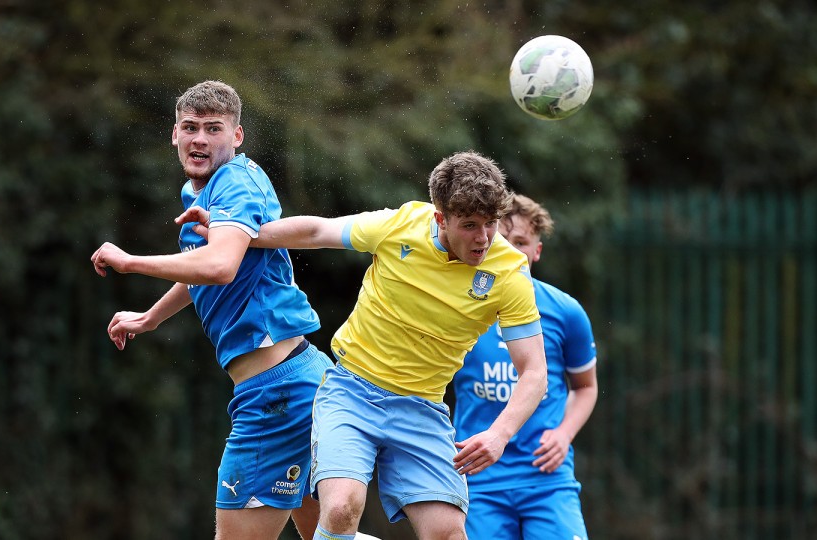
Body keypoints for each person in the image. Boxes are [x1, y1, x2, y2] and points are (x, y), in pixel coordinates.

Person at [177, 151, 548, 540]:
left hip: (423, 408)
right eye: (470, 225)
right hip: (351, 393)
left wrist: (500, 433)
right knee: (340, 509)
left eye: (490, 225)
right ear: (440, 218)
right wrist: (235, 233)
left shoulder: (508, 271)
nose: (484, 238)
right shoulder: (402, 225)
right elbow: (317, 232)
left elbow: (534, 372)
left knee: (448, 534)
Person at [90, 80, 333, 540]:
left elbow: (220, 266)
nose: (200, 138)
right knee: (326, 536)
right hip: (300, 379)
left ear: (236, 137)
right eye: (191, 127)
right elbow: (204, 267)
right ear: (175, 135)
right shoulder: (200, 191)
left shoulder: (235, 183)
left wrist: (129, 262)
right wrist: (151, 317)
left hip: (275, 397)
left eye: (214, 128)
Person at [451, 194, 598, 540]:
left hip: (546, 477)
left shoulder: (566, 311)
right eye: (503, 240)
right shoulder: (459, 306)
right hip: (479, 477)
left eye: (521, 243)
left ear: (537, 251)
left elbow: (586, 387)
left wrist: (564, 434)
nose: (511, 251)